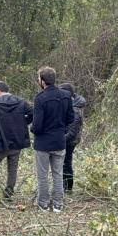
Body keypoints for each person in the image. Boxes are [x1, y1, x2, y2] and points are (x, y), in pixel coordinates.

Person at [0, 80, 34, 200]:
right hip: (17, 142)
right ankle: (8, 194)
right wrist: (23, 123)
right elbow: (33, 113)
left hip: (0, 143)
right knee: (12, 168)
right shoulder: (21, 102)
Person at [32, 67, 75, 212]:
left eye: (39, 78)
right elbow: (70, 118)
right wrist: (60, 128)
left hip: (43, 144)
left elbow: (37, 126)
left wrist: (33, 130)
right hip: (59, 141)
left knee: (42, 176)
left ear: (43, 81)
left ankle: (44, 204)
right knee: (58, 174)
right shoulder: (66, 96)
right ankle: (58, 205)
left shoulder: (40, 98)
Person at [59, 83, 86, 193]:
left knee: (66, 163)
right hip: (68, 138)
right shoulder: (72, 103)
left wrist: (61, 140)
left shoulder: (74, 109)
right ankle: (65, 187)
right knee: (65, 162)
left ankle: (68, 188)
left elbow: (72, 132)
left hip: (69, 140)